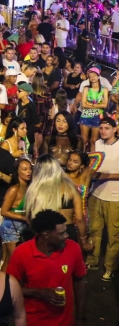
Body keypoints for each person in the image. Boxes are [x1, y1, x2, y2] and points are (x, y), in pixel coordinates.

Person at [7, 210, 87, 326]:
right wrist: (39, 293)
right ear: (46, 234)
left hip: (65, 322)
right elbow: (10, 288)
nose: (66, 236)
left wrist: (80, 318)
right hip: (33, 321)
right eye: (61, 233)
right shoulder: (21, 253)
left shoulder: (73, 248)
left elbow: (79, 281)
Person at [85, 117, 119, 278]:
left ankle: (110, 267)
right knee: (94, 230)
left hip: (114, 197)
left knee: (113, 234)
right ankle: (92, 260)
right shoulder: (97, 144)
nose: (103, 131)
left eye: (107, 128)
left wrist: (107, 176)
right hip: (95, 194)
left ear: (115, 129)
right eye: (101, 128)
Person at [0, 158, 33, 268]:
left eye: (30, 169)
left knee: (10, 260)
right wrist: (24, 217)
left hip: (21, 227)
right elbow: (4, 211)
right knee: (14, 260)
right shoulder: (14, 189)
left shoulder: (28, 187)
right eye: (24, 169)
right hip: (10, 227)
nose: (28, 172)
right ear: (17, 171)